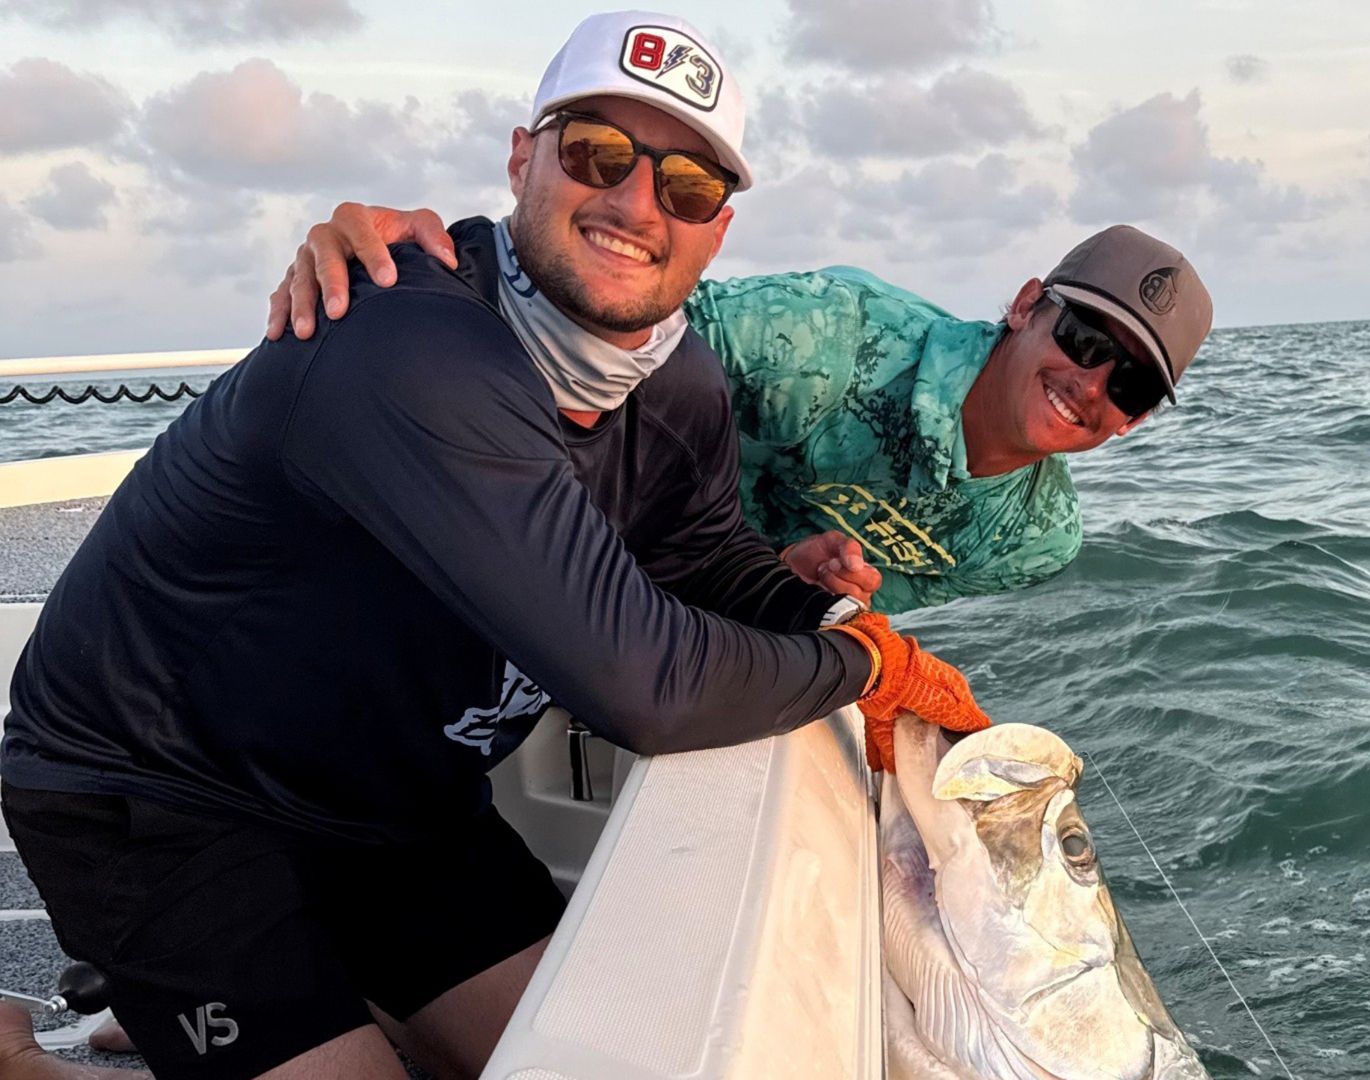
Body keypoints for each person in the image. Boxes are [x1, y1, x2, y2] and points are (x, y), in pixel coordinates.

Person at [0, 11, 988, 1080]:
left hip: (395, 804)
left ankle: (280, 1007)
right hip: (164, 794)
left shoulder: (679, 381)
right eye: (597, 153)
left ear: (719, 228)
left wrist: (830, 616)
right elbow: (644, 686)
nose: (635, 203)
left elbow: (705, 558)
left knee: (596, 1067)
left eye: (687, 185)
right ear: (523, 159)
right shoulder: (406, 345)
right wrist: (863, 668)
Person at [269, 212, 1215, 613]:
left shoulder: (1039, 539)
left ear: (1135, 420)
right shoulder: (829, 331)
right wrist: (439, 270)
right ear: (1026, 304)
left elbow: (838, 608)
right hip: (538, 548)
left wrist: (785, 578)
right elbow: (612, 327)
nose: (1091, 384)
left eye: (1131, 384)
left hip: (697, 616)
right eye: (1084, 337)